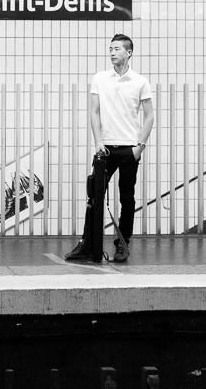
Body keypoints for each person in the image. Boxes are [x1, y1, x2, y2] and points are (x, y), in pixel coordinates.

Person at [66, 34, 154, 263]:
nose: (112, 53)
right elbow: (94, 111)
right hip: (104, 148)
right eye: (110, 49)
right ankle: (87, 244)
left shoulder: (140, 81)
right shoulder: (100, 79)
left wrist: (140, 147)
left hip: (129, 149)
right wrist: (98, 142)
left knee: (127, 198)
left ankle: (122, 245)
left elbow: (149, 116)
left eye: (116, 49)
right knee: (94, 196)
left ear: (129, 52)